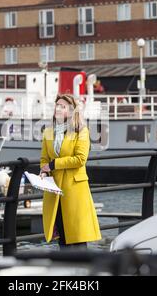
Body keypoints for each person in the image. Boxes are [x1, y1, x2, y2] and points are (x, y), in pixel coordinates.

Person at [40, 94, 102, 249]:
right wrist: (44, 172)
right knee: (62, 236)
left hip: (74, 189)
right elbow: (44, 159)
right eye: (57, 105)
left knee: (77, 238)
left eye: (63, 106)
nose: (58, 108)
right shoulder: (48, 132)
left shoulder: (81, 131)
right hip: (55, 190)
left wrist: (54, 165)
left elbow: (80, 159)